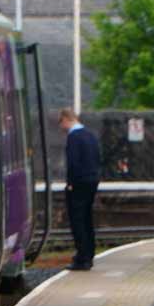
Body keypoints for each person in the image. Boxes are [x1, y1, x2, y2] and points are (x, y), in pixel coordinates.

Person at [61, 106, 100, 270]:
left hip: (78, 184)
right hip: (92, 181)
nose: (61, 127)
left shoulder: (73, 137)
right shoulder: (90, 135)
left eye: (61, 123)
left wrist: (70, 183)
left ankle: (82, 257)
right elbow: (98, 157)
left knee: (77, 220)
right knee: (87, 218)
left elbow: (73, 163)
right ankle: (89, 253)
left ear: (65, 119)